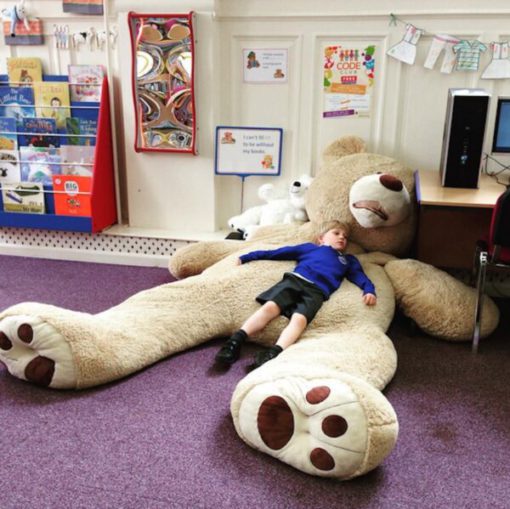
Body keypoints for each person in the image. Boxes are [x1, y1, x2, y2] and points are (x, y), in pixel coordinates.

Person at [214, 220, 377, 369]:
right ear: (321, 238)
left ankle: (274, 353)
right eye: (336, 233)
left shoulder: (348, 260)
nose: (342, 237)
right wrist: (248, 257)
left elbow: (359, 275)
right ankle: (234, 342)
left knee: (299, 320)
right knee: (270, 307)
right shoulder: (310, 248)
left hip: (317, 292)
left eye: (345, 237)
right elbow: (279, 252)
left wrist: (369, 290)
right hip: (295, 281)